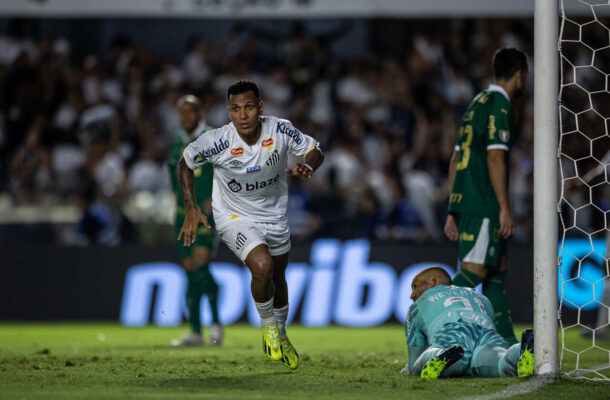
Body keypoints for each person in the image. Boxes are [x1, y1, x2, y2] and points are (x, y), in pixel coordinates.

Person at [177, 80, 324, 369]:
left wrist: (309, 165)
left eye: (248, 107)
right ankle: (268, 328)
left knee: (278, 277)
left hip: (274, 216)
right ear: (228, 112)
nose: (242, 115)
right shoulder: (218, 141)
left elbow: (314, 148)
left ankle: (281, 335)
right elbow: (185, 163)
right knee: (262, 265)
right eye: (235, 109)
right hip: (234, 216)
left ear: (260, 108)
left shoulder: (280, 129)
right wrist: (192, 208)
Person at [444, 48, 529, 345]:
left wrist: (453, 207)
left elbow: (455, 160)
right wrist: (505, 207)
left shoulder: (475, 104)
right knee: (475, 270)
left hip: (468, 199)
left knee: (497, 268)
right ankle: (425, 325)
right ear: (521, 75)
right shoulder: (500, 107)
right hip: (484, 203)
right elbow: (495, 159)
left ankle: (506, 342)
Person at [403, 266, 534, 379]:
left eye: (415, 287)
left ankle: (440, 354)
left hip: (454, 331)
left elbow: (415, 358)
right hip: (486, 333)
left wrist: (411, 367)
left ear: (432, 282)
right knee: (500, 362)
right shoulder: (479, 296)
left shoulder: (418, 306)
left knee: (420, 365)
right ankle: (519, 352)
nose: (412, 295)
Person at [168, 95, 223, 347]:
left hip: (205, 215)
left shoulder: (212, 137)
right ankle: (195, 331)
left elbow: (228, 168)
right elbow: (173, 175)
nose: (185, 117)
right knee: (190, 270)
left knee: (201, 264)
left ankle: (216, 323)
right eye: (182, 113)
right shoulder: (178, 140)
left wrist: (219, 197)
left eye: (190, 112)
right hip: (182, 215)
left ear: (200, 113)